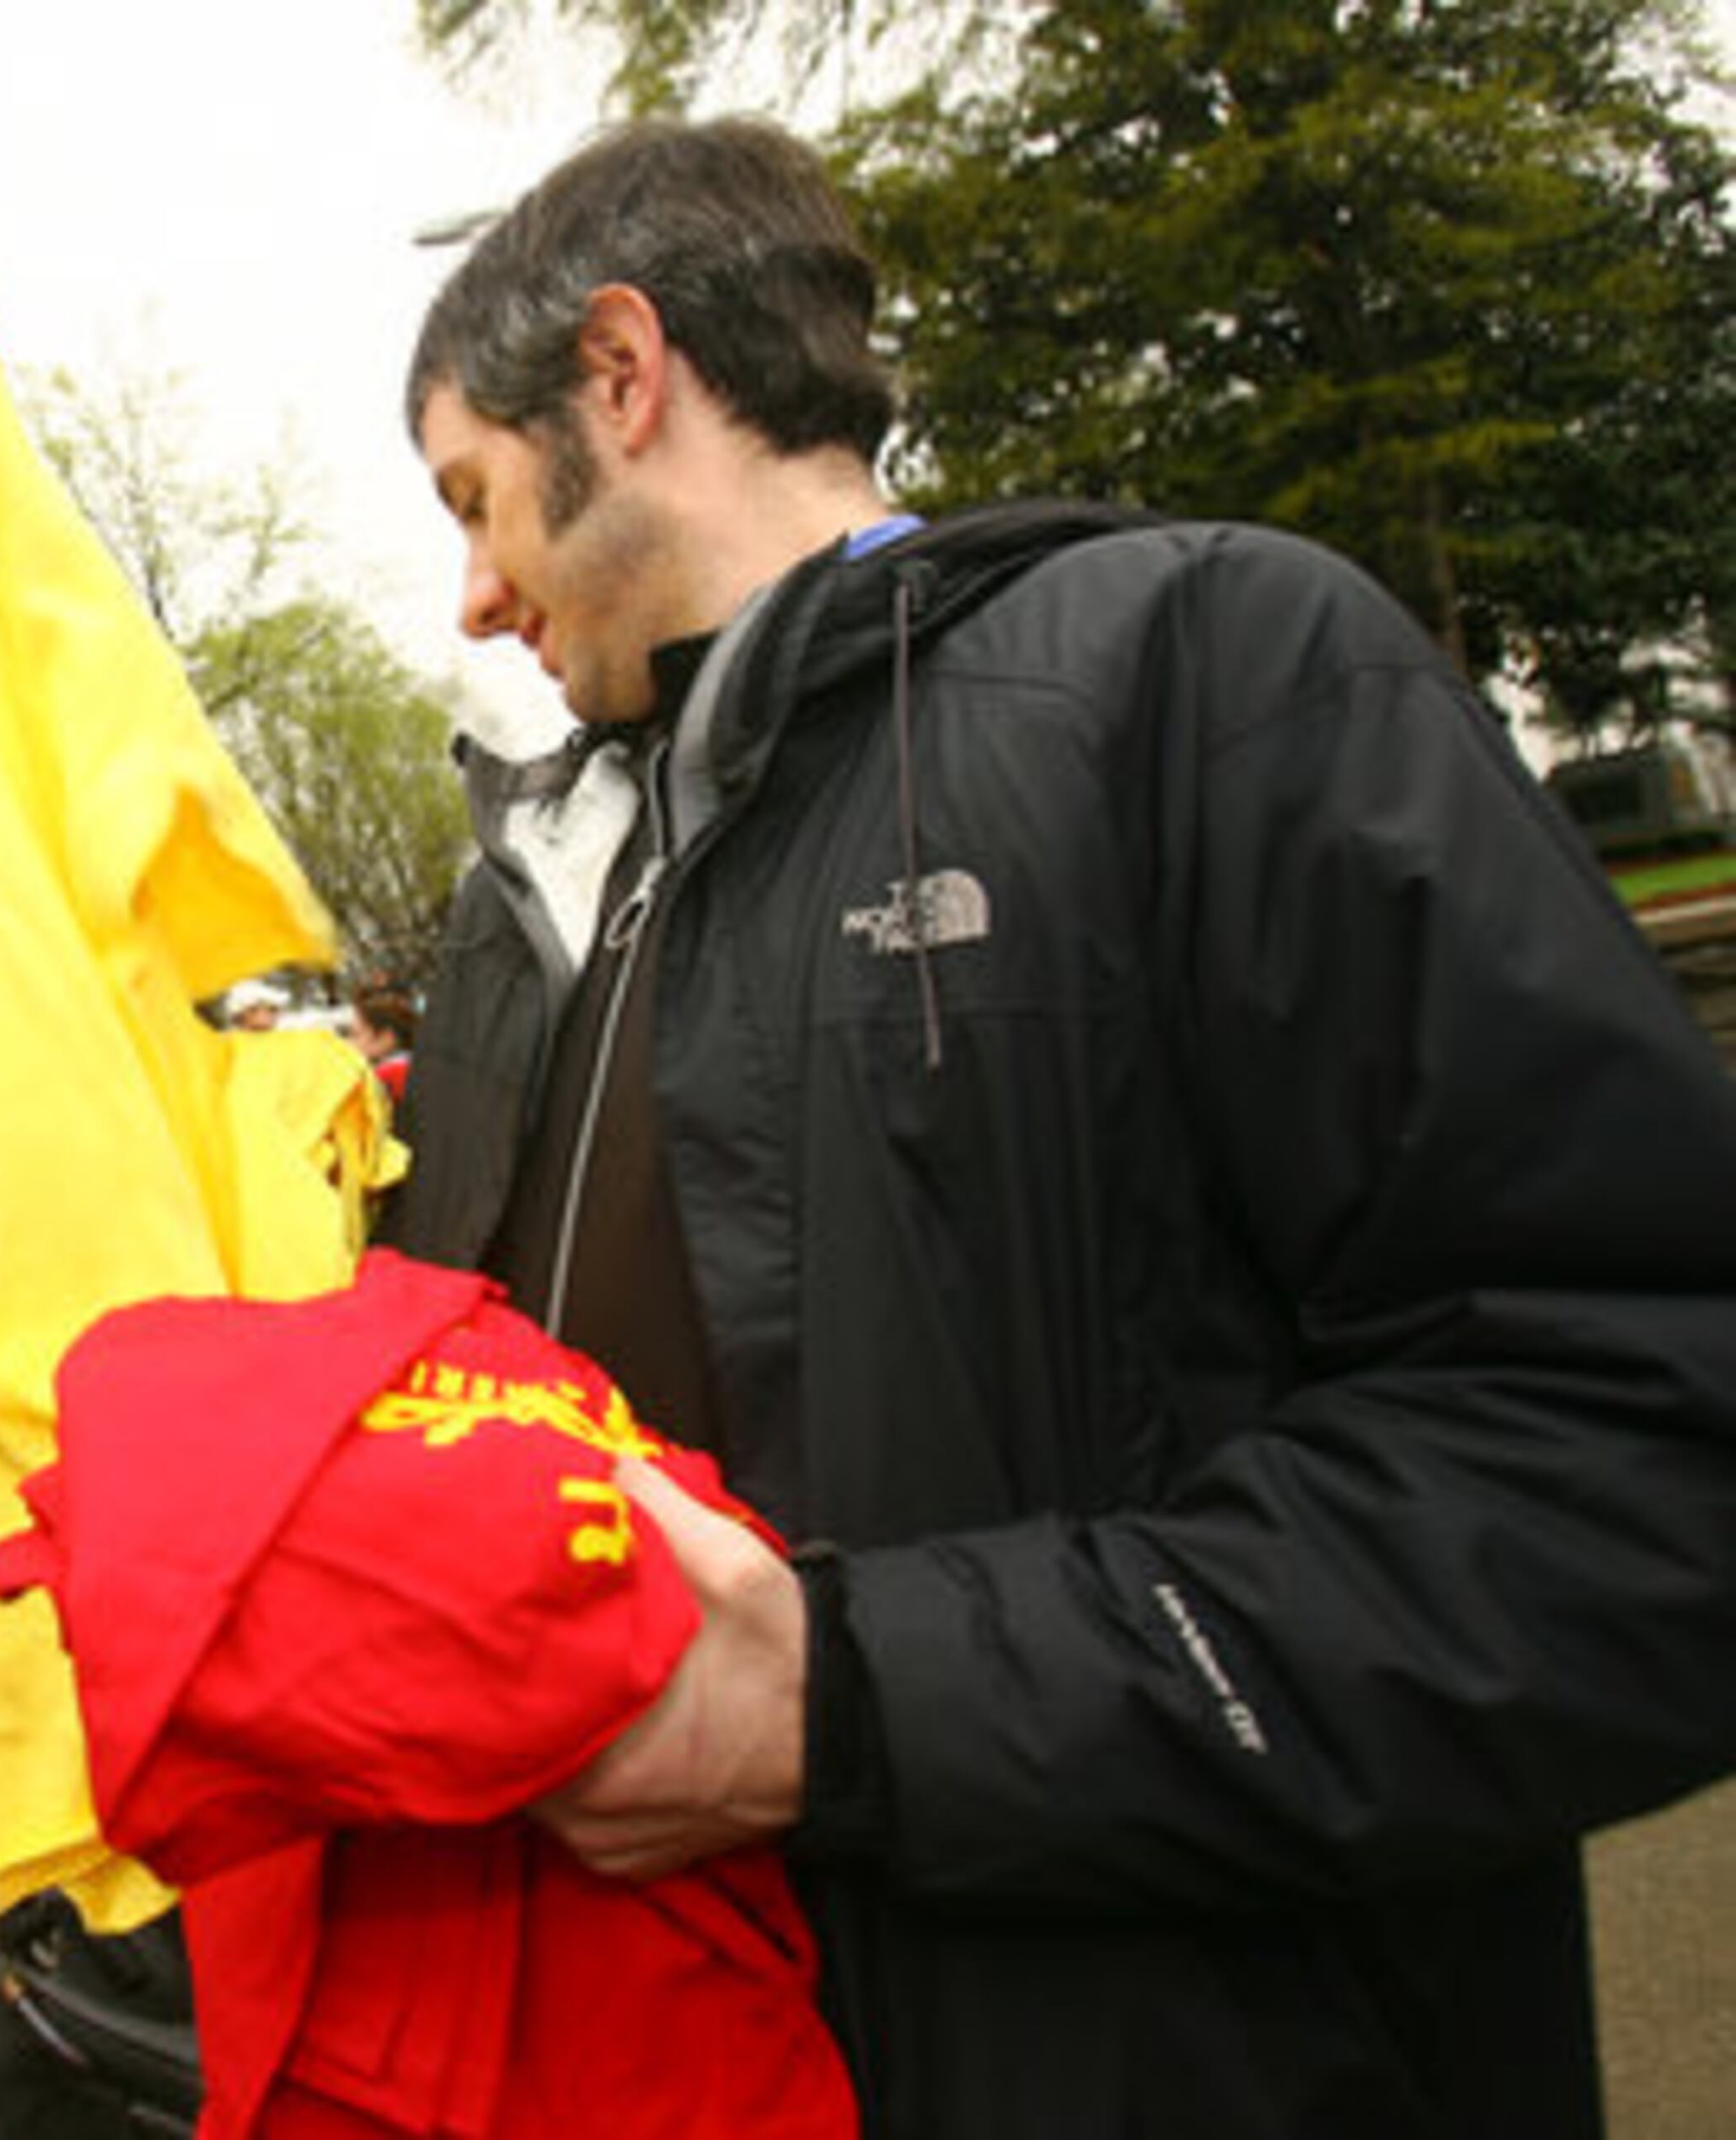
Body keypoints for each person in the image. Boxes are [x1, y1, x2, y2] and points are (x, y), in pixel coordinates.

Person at [386, 112, 1736, 2139]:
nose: (474, 595)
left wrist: (852, 1707)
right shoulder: (554, 891)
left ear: (617, 371)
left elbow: (1636, 1471)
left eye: (472, 498)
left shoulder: (1215, 671)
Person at [347, 978, 415, 1102]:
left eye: (356, 1034)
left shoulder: (388, 1076)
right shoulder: (416, 1066)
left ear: (386, 1037)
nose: (350, 1043)